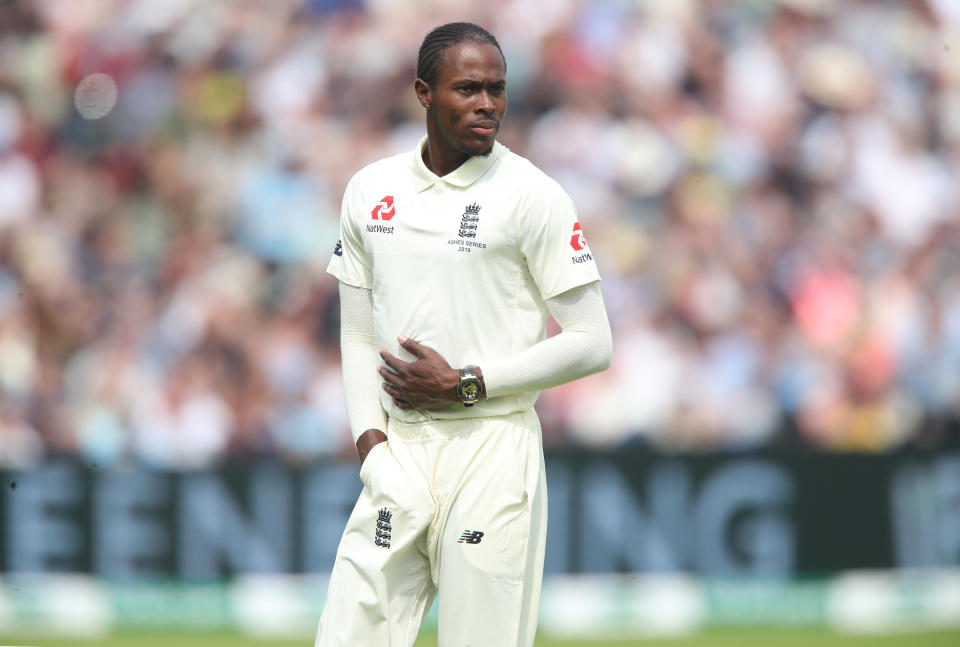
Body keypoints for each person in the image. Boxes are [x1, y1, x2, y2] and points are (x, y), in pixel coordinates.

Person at [316, 21, 613, 647]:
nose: (487, 105)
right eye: (468, 89)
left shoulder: (534, 196)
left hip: (493, 450)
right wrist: (372, 446)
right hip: (398, 454)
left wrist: (468, 384)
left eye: (497, 90)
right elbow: (355, 337)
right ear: (424, 93)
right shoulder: (372, 190)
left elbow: (592, 340)